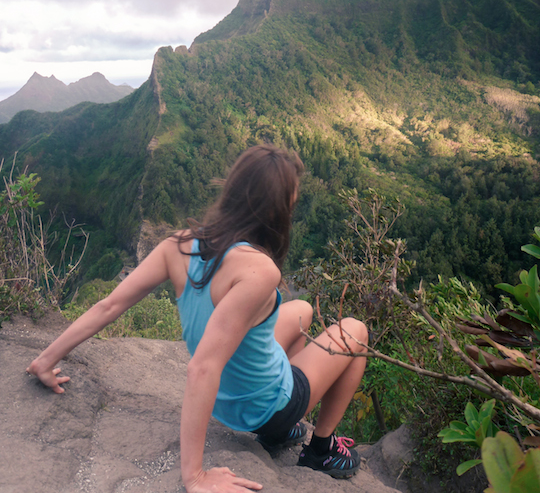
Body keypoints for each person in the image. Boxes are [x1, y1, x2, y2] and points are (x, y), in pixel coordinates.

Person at [27, 144, 369, 492]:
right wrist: (194, 476)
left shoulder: (178, 244)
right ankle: (321, 448)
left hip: (222, 397)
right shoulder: (260, 271)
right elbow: (202, 367)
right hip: (260, 408)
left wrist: (46, 359)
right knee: (356, 330)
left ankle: (282, 432)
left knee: (303, 310)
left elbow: (109, 306)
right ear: (278, 211)